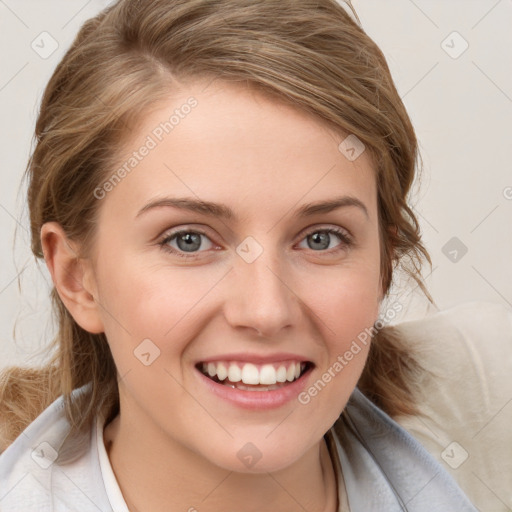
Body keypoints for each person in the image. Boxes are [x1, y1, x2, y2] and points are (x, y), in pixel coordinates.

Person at [0, 0, 484, 510]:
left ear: (384, 264)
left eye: (321, 238)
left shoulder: (488, 422)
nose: (265, 311)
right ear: (78, 279)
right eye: (188, 240)